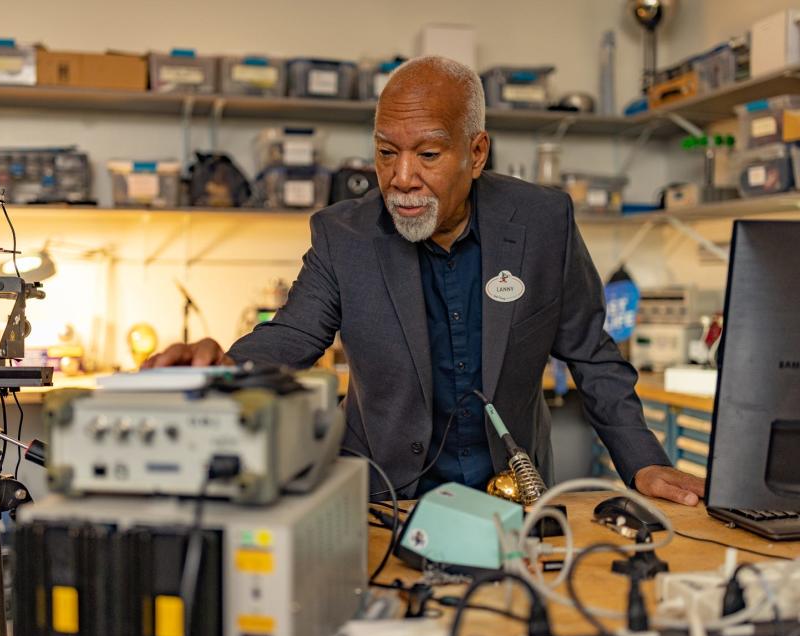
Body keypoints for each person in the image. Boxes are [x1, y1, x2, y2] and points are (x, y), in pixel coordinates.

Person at [143, 56, 705, 505]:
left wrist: (644, 462)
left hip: (511, 493)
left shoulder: (542, 222)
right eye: (387, 153)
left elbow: (592, 355)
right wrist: (225, 369)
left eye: (428, 153)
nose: (401, 177)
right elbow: (292, 337)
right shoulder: (344, 235)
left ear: (476, 152)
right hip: (384, 499)